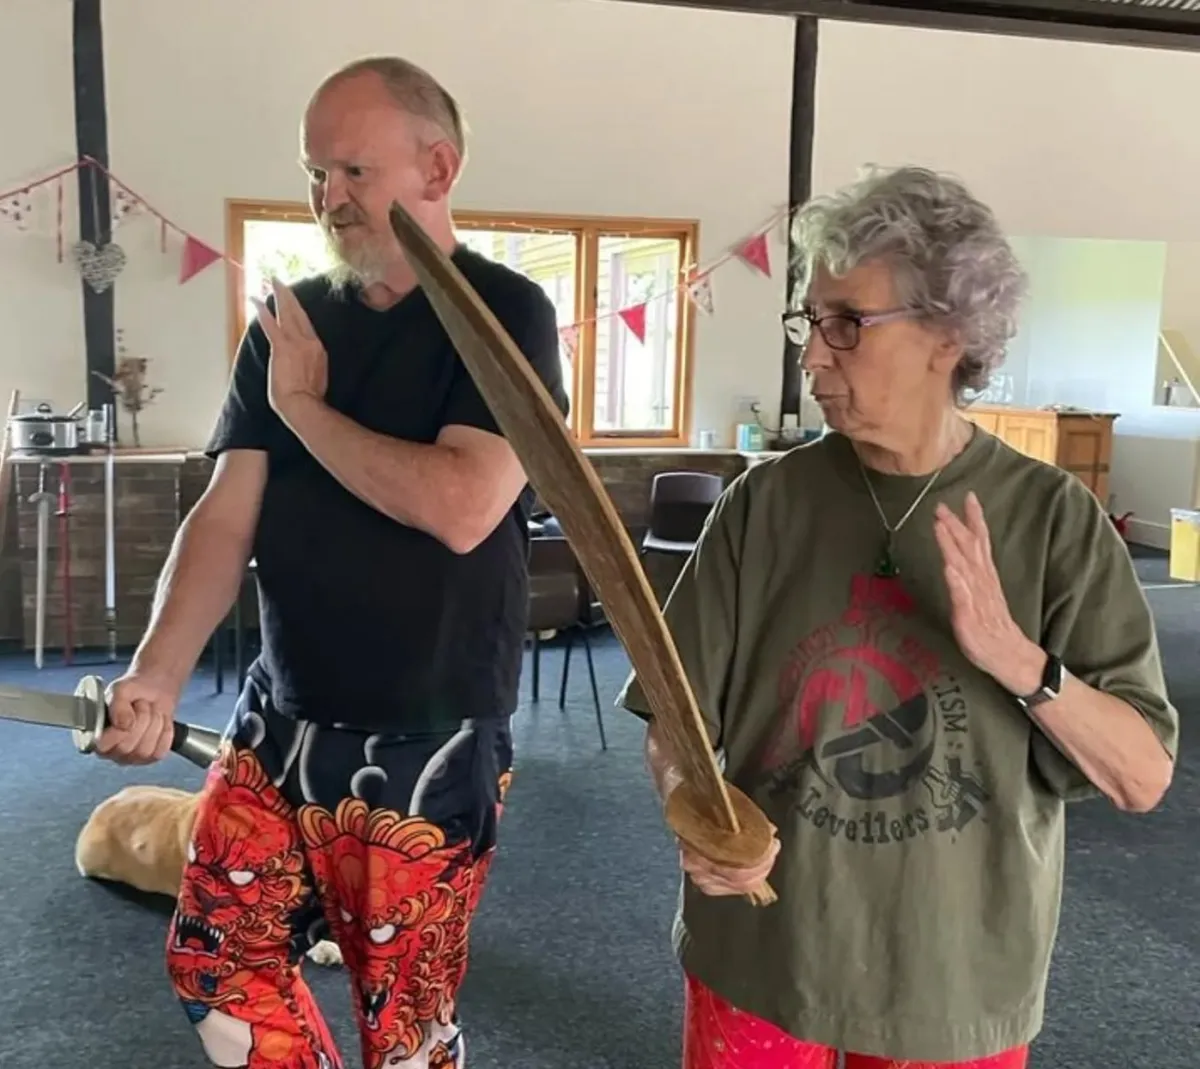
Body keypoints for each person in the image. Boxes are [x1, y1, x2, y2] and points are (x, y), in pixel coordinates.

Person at [620, 165, 1178, 1069]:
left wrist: (1018, 660)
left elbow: (1142, 776)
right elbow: (674, 721)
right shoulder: (765, 506)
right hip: (764, 958)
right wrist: (695, 806)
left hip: (954, 978)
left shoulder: (1052, 520)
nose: (812, 354)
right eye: (811, 322)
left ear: (947, 335)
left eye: (848, 323)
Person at [94, 56, 568, 1069]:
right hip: (278, 720)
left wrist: (307, 410)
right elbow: (226, 520)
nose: (328, 197)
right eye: (316, 173)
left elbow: (461, 503)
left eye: (353, 169)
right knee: (215, 966)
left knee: (407, 1034)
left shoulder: (505, 315)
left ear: (437, 168)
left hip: (430, 737)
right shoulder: (291, 323)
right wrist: (157, 675)